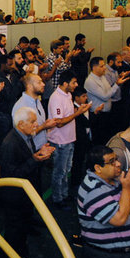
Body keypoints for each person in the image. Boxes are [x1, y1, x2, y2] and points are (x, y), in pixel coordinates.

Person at [0, 107, 55, 258]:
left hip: (23, 195)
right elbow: (12, 175)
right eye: (32, 122)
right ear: (21, 124)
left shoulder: (24, 136)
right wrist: (35, 159)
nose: (36, 125)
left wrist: (39, 152)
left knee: (22, 225)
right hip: (14, 197)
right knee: (15, 232)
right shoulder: (10, 144)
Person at [77, 146, 130, 258]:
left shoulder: (115, 179)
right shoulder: (93, 191)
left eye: (116, 159)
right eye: (112, 162)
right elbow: (119, 220)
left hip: (125, 253)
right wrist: (127, 188)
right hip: (109, 257)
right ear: (98, 168)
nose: (118, 164)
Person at [47, 70, 92, 209]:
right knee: (59, 172)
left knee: (66, 170)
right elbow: (59, 122)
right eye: (74, 82)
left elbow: (68, 115)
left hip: (69, 139)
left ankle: (64, 194)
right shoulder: (56, 98)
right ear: (65, 83)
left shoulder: (68, 95)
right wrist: (78, 113)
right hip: (60, 141)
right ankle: (57, 199)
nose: (76, 85)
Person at [85, 57, 129, 144]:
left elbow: (109, 90)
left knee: (107, 138)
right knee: (99, 140)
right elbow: (105, 96)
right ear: (94, 67)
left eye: (104, 65)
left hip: (107, 113)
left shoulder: (102, 77)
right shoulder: (90, 81)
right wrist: (117, 84)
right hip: (98, 115)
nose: (104, 68)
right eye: (101, 66)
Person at [11, 73, 57, 150]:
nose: (43, 84)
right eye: (39, 82)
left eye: (42, 81)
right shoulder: (21, 106)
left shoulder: (37, 101)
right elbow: (22, 135)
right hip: (31, 151)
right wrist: (43, 126)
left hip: (42, 146)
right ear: (29, 86)